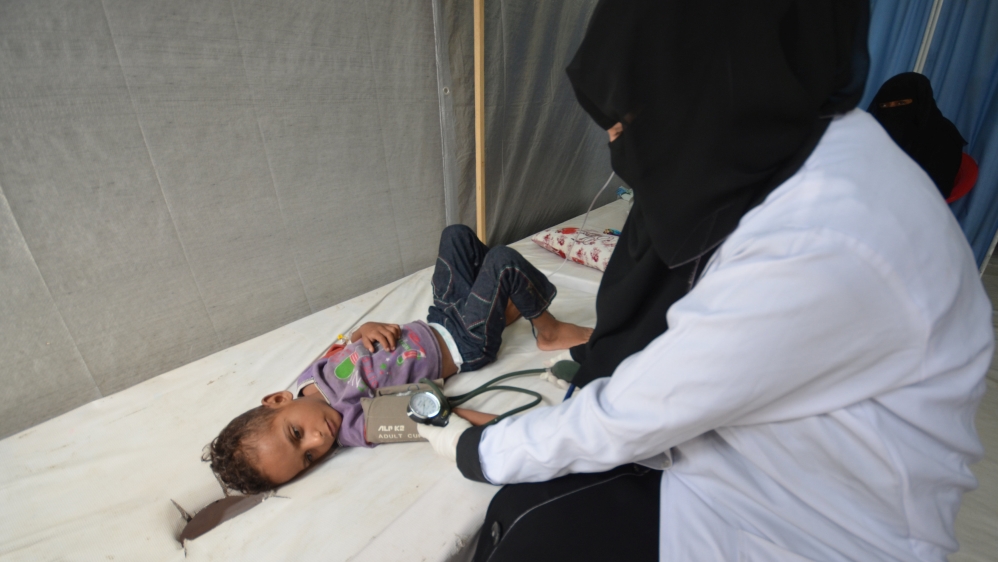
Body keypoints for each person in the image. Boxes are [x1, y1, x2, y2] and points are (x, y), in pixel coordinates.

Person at [417, 1, 993, 560]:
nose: (617, 143)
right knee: (527, 512)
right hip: (756, 468)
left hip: (808, 527)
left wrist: (480, 449)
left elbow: (643, 407)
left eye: (630, 119)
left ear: (712, 79)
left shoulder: (825, 235)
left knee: (526, 523)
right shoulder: (805, 152)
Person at [204, 224, 592, 494]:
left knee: (456, 235)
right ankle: (548, 330)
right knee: (503, 261)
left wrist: (364, 329)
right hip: (464, 343)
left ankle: (498, 304)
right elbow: (433, 416)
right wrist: (515, 428)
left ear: (278, 399)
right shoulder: (354, 424)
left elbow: (349, 348)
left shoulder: (311, 378)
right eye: (308, 458)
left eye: (296, 433)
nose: (319, 440)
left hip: (439, 317)